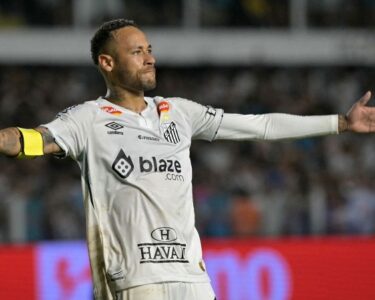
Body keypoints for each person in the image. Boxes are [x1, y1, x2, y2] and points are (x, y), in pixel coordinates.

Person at [0, 18, 374, 300]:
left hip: (193, 279)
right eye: (137, 52)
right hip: (134, 281)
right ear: (107, 63)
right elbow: (31, 141)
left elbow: (258, 126)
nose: (150, 58)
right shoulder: (87, 119)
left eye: (149, 49)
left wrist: (341, 122)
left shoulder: (178, 112)